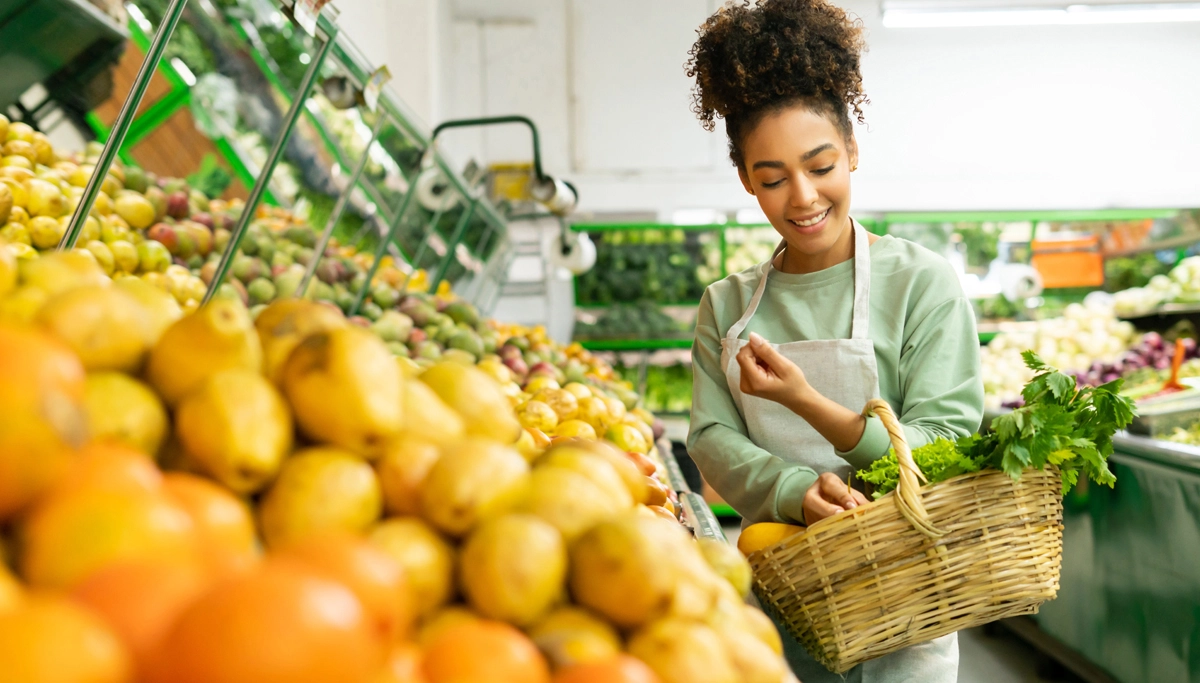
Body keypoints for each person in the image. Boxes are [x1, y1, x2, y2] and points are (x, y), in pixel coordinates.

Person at [684, 1, 984, 681]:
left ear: (851, 150)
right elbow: (711, 437)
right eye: (772, 178)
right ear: (745, 181)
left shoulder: (920, 283)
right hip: (785, 601)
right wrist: (794, 490)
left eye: (820, 166)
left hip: (911, 606)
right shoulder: (726, 306)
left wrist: (810, 403)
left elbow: (943, 444)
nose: (802, 196)